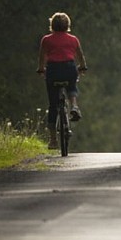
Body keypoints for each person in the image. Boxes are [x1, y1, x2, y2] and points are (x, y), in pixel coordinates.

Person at [37, 12, 88, 150]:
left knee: (53, 105)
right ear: (68, 25)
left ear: (52, 25)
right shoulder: (73, 39)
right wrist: (82, 67)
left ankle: (53, 140)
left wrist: (41, 69)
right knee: (72, 86)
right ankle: (74, 106)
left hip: (53, 70)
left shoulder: (46, 39)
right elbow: (80, 56)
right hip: (69, 68)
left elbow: (42, 57)